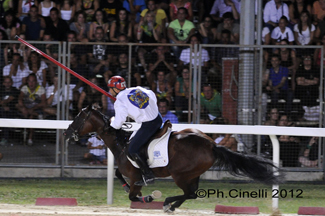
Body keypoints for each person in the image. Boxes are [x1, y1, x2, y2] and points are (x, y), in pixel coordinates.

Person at [108, 75, 161, 186]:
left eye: (110, 88)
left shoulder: (119, 102)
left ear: (116, 89)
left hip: (148, 125)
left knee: (132, 150)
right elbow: (152, 95)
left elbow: (119, 122)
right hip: (158, 118)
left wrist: (111, 124)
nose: (109, 91)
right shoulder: (137, 89)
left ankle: (148, 175)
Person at [16, 73, 46, 145]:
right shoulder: (24, 88)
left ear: (36, 82)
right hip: (26, 108)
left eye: (33, 81)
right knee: (17, 106)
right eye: (29, 81)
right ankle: (36, 115)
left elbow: (44, 103)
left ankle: (30, 138)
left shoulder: (41, 88)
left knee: (31, 118)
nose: (31, 83)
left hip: (36, 108)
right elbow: (20, 99)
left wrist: (34, 108)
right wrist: (24, 108)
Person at [295, 55, 320, 122]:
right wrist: (310, 81)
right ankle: (303, 116)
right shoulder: (300, 70)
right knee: (304, 96)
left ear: (311, 61)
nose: (307, 60)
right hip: (302, 91)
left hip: (313, 91)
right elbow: (299, 82)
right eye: (305, 59)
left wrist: (305, 80)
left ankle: (312, 118)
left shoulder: (315, 70)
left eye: (308, 59)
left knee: (311, 96)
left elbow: (316, 82)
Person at [0, 76, 20, 146]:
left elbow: (9, 99)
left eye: (9, 82)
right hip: (2, 110)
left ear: (12, 83)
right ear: (3, 83)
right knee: (2, 112)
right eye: (5, 82)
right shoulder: (1, 89)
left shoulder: (15, 91)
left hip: (12, 111)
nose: (7, 84)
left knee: (4, 116)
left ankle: (5, 138)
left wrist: (2, 103)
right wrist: (4, 106)